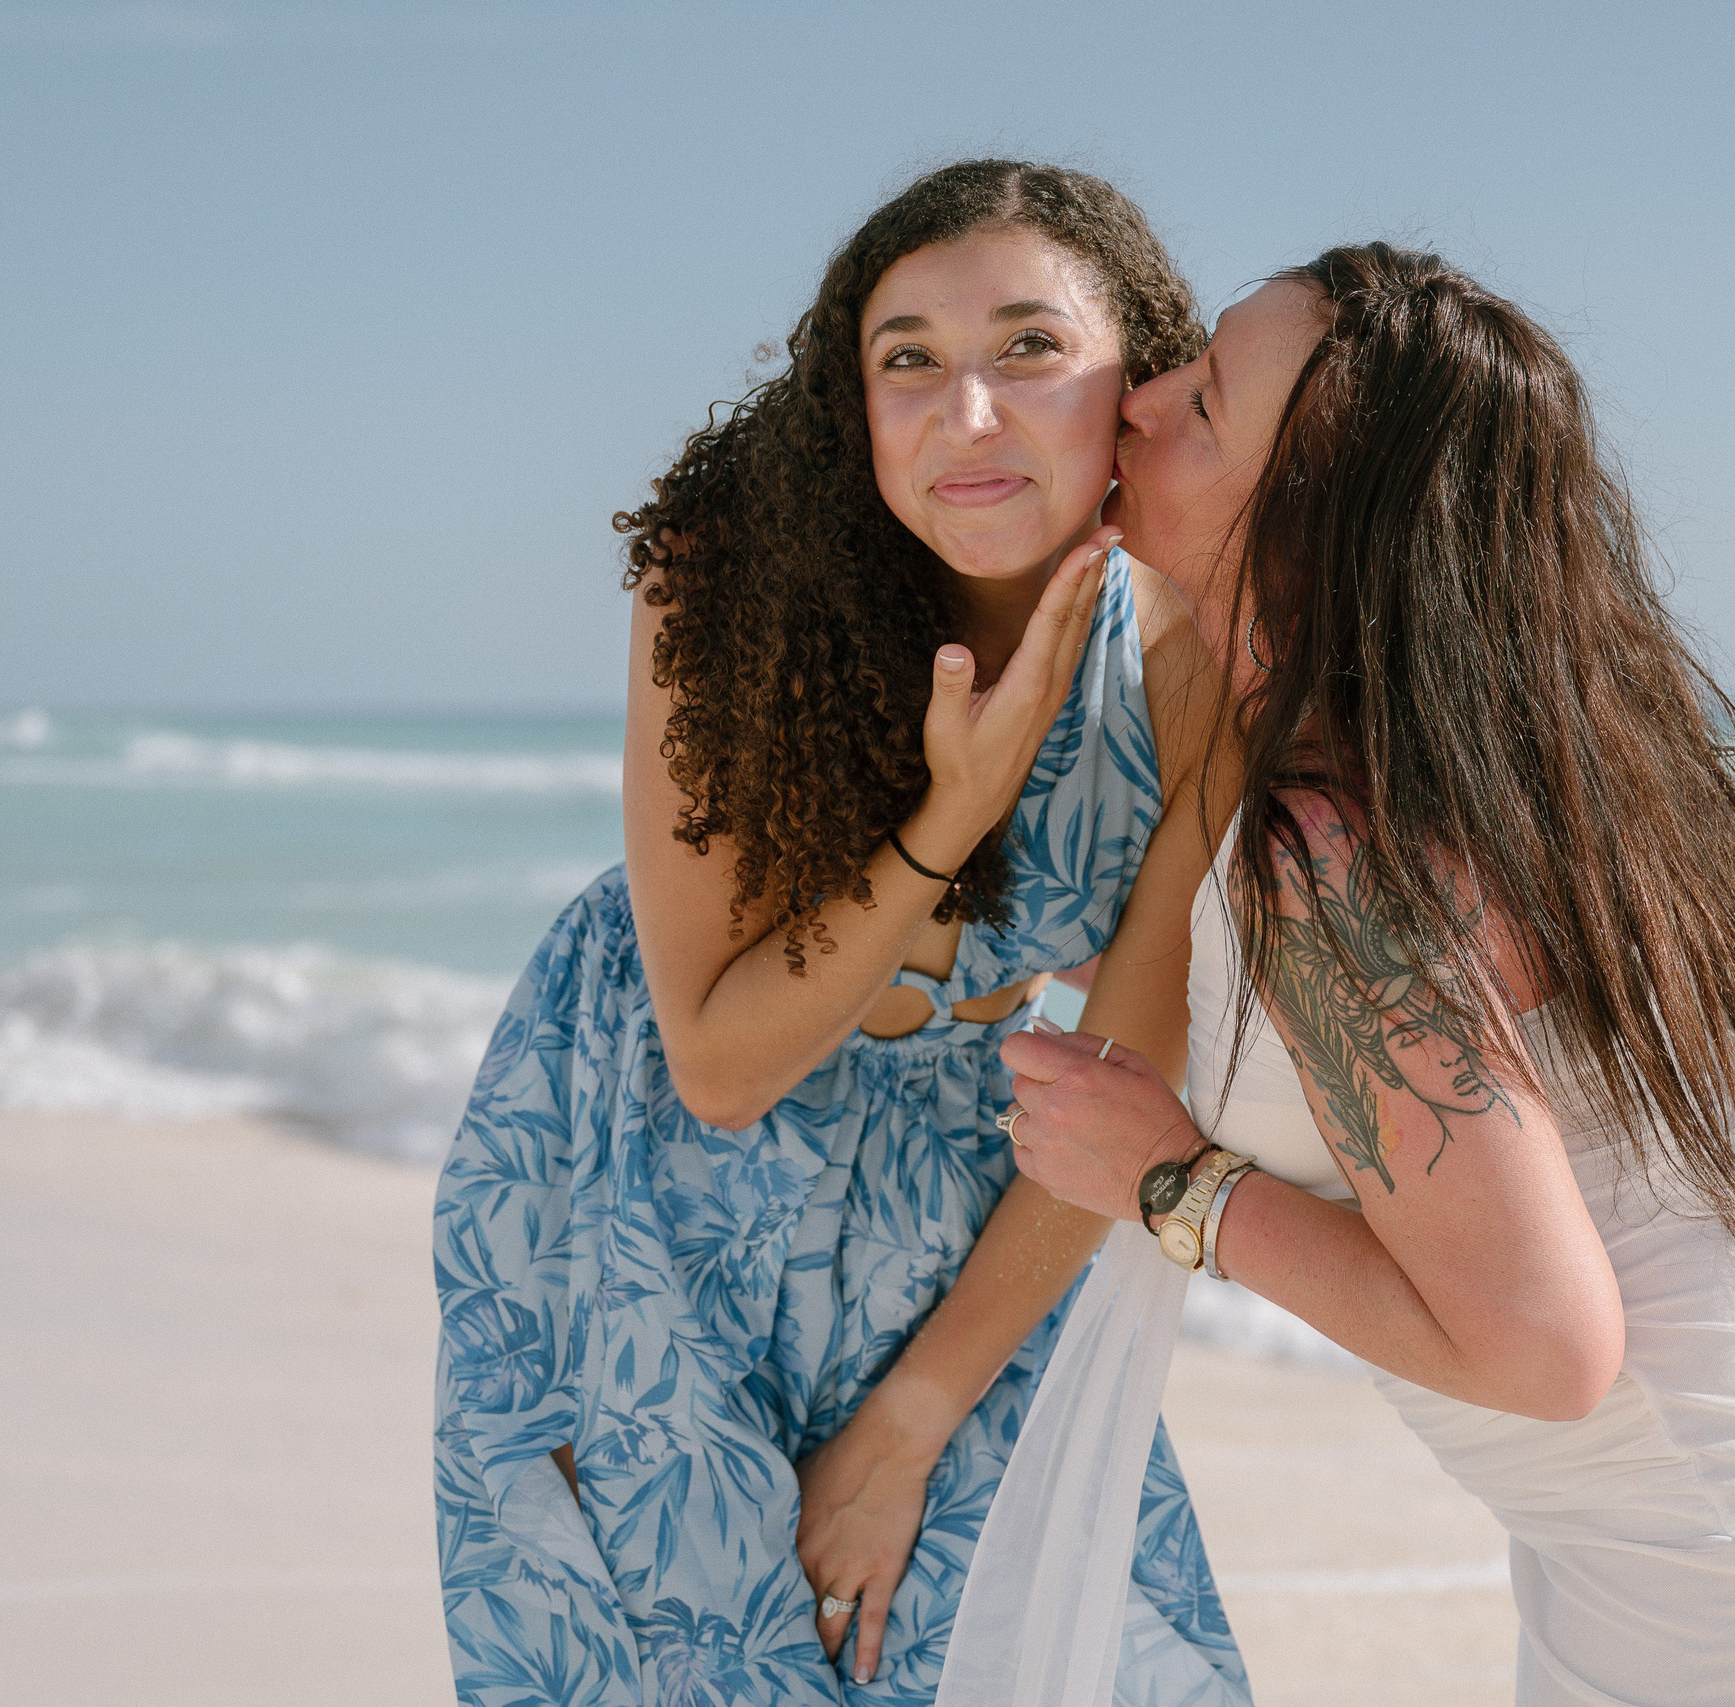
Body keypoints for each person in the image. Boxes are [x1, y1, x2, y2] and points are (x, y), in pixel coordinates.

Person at [992, 244, 1735, 1706]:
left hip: (1711, 1493)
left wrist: (1167, 1181)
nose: (1137, 402)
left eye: (1201, 405)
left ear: (1314, 527)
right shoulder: (1463, 757)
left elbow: (1541, 1348)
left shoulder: (1333, 851)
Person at [430, 160, 1250, 1707]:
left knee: (1087, 1647)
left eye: (1029, 348)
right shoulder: (730, 584)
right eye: (910, 361)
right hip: (636, 1164)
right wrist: (953, 815)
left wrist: (907, 1424)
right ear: (850, 400)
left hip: (977, 1160)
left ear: (1134, 381)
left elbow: (1125, 1073)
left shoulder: (1196, 633)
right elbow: (724, 1066)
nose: (971, 415)